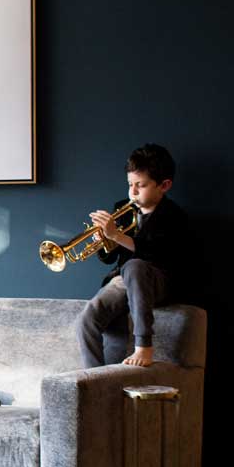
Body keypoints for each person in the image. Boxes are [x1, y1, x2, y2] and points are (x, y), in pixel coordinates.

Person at [75, 143, 188, 368]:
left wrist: (116, 235)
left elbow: (154, 252)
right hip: (123, 280)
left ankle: (144, 345)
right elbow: (109, 258)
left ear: (164, 185)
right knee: (86, 321)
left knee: (135, 266)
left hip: (157, 280)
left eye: (140, 185)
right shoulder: (122, 208)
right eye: (130, 184)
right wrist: (104, 241)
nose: (133, 192)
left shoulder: (173, 216)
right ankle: (94, 377)